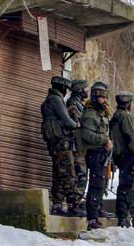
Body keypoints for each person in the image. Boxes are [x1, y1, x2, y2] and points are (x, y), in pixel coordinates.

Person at [40, 76, 82, 216]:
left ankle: (58, 204)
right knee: (68, 173)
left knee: (58, 174)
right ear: (62, 88)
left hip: (55, 142)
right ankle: (72, 205)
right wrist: (76, 125)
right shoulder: (56, 100)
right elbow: (66, 120)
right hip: (61, 143)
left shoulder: (49, 99)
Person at [79, 82, 113, 230]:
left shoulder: (101, 113)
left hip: (101, 154)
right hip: (94, 153)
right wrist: (104, 140)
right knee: (95, 185)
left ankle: (96, 213)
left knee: (100, 185)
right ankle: (92, 218)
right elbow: (87, 135)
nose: (104, 100)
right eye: (101, 97)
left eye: (105, 97)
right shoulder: (90, 113)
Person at [110, 91, 134, 228]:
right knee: (127, 187)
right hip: (128, 156)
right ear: (128, 103)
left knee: (125, 186)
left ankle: (123, 217)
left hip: (121, 156)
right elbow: (131, 138)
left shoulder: (116, 116)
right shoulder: (126, 117)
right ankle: (123, 218)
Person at [67, 79, 89, 201]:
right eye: (85, 88)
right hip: (76, 146)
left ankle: (76, 200)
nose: (87, 91)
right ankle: (74, 202)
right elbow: (77, 125)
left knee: (82, 175)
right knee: (79, 175)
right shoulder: (74, 105)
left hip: (80, 146)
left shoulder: (79, 104)